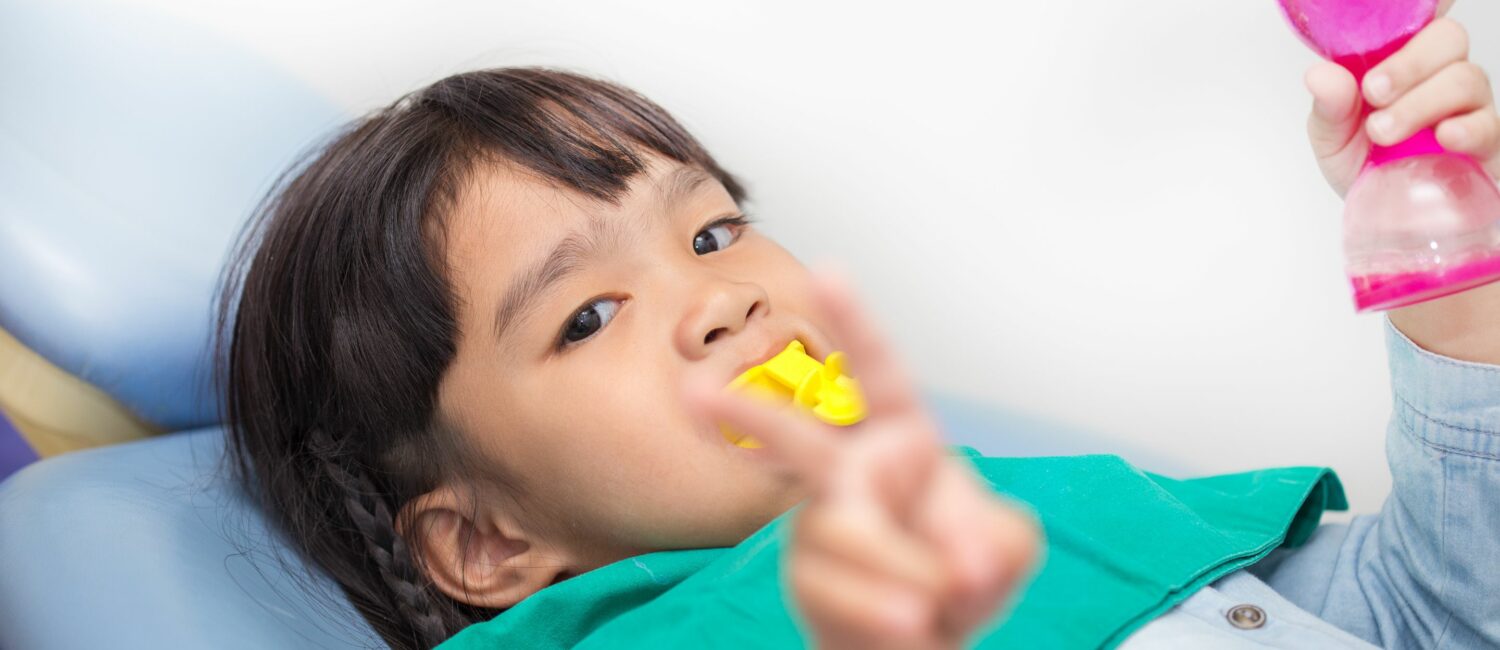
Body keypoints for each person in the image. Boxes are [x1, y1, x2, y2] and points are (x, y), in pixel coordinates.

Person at [219, 8, 1500, 649]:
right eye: (590, 313)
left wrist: (1457, 305)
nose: (726, 294)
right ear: (486, 543)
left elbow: (1432, 613)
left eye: (713, 231)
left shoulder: (1034, 514)